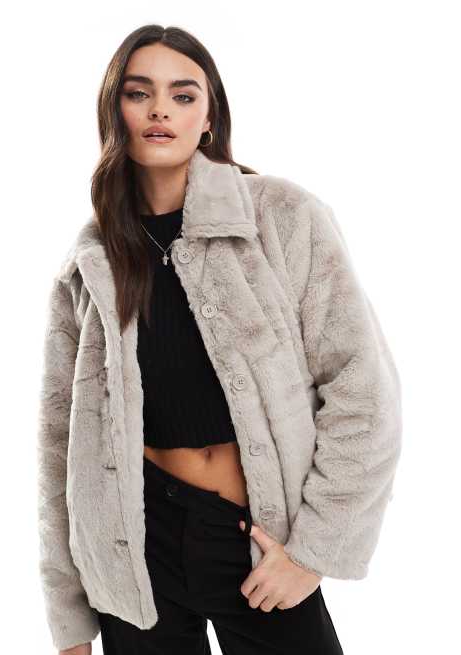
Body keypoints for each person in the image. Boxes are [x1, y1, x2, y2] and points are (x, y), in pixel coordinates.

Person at [36, 24, 402, 655]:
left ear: (208, 119)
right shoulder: (90, 262)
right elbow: (58, 443)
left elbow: (363, 389)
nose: (159, 110)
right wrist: (68, 616)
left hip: (254, 540)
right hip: (134, 550)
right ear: (114, 113)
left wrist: (312, 551)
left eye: (182, 95)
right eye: (138, 93)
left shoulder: (281, 217)